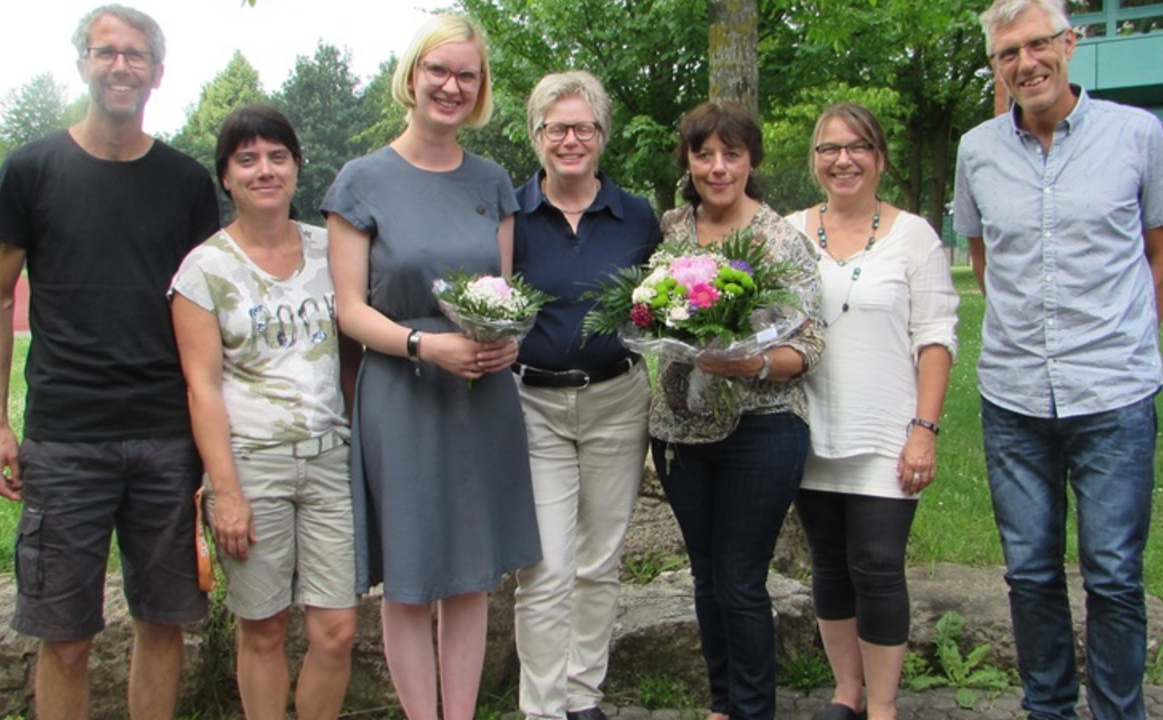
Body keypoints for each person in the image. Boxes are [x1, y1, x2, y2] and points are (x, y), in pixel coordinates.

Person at [0, 5, 220, 719]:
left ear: (157, 72)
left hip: (165, 438)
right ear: (82, 62)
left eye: (135, 54)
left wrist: (212, 450)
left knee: (163, 621)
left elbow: (207, 314)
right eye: (105, 51)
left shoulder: (184, 183)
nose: (120, 65)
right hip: (64, 437)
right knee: (66, 637)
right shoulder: (31, 169)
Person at [953, 1, 1163, 718]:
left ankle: (1118, 712)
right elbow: (985, 259)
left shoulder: (1136, 134)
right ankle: (1047, 709)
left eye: (1037, 45)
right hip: (1014, 397)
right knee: (1029, 572)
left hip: (1113, 397)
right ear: (995, 66)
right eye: (1007, 55)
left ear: (1069, 43)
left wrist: (1124, 345)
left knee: (1115, 575)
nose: (1025, 64)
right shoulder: (977, 150)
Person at [322, 14, 541, 720]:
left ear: (480, 90)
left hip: (480, 392)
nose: (451, 86)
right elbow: (350, 310)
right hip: (403, 390)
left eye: (466, 75)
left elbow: (500, 297)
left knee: (471, 576)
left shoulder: (494, 180)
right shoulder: (362, 181)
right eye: (438, 71)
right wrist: (424, 345)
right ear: (412, 76)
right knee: (413, 578)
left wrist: (504, 343)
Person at [169, 105, 361, 720]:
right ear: (225, 176)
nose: (264, 170)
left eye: (277, 156)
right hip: (252, 466)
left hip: (330, 459)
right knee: (265, 630)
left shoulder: (329, 248)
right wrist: (224, 492)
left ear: (297, 167)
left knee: (337, 630)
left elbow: (355, 351)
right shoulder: (204, 270)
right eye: (247, 159)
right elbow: (201, 387)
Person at [650, 102, 824, 720]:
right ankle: (723, 703)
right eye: (704, 154)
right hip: (679, 429)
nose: (717, 167)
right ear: (688, 161)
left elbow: (809, 345)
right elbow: (643, 311)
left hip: (764, 427)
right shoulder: (671, 231)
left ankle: (752, 710)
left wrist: (753, 364)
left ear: (752, 160)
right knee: (705, 576)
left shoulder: (780, 238)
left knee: (741, 580)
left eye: (732, 154)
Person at [785, 103, 959, 720]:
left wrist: (924, 430)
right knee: (830, 565)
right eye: (830, 149)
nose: (843, 159)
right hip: (808, 428)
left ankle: (882, 705)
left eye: (857, 147)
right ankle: (846, 693)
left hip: (888, 431)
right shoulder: (790, 232)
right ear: (815, 161)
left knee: (879, 565)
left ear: (879, 157)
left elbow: (936, 336)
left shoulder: (915, 236)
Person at [510, 70, 661, 720]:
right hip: (535, 403)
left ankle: (581, 696)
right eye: (556, 127)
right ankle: (542, 707)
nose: (570, 139)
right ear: (537, 135)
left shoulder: (636, 217)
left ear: (601, 135)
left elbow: (658, 307)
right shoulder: (510, 214)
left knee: (599, 559)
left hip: (615, 400)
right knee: (544, 565)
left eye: (583, 128)